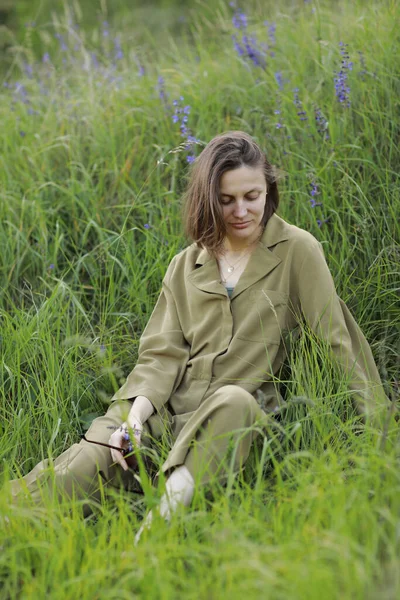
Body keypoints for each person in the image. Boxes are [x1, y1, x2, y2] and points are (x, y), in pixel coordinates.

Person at [9, 131, 389, 542]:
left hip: (230, 425)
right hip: (164, 414)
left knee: (233, 399)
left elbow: (337, 341)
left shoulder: (298, 250)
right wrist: (135, 420)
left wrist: (380, 435)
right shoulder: (185, 265)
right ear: (207, 200)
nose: (241, 210)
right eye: (226, 200)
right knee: (79, 466)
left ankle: (157, 529)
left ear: (269, 190)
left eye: (252, 196)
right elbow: (160, 355)